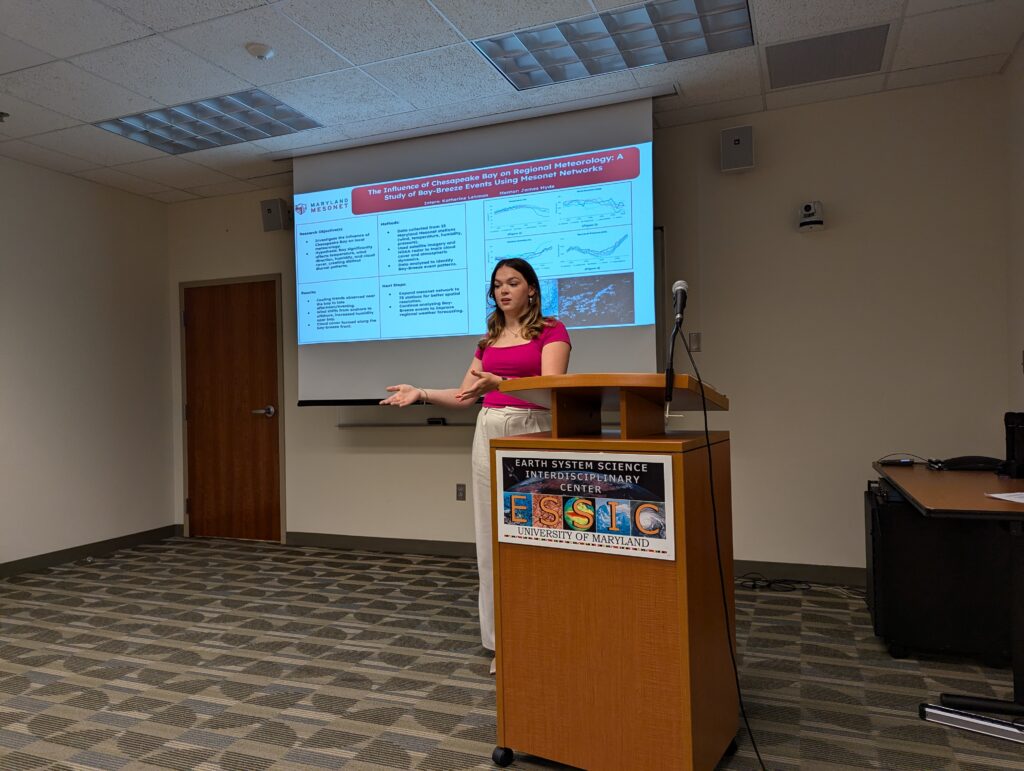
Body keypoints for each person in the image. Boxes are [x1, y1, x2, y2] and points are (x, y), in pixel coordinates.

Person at [380, 258, 571, 671]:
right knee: (490, 539)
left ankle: (541, 633)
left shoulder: (552, 331)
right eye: (498, 285)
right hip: (488, 430)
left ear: (532, 290)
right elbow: (468, 394)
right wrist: (423, 393)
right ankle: (502, 644)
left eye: (513, 283)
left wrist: (500, 384)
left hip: (532, 431)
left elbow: (554, 394)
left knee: (533, 536)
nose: (504, 291)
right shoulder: (488, 341)